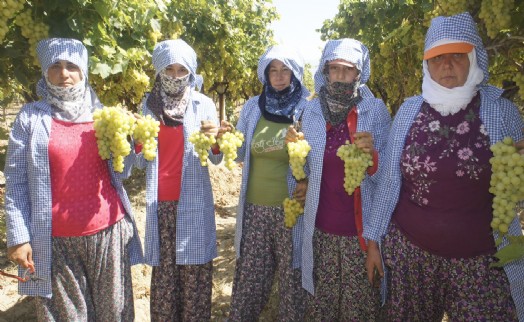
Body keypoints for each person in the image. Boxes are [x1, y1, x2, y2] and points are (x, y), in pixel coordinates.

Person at [364, 12, 524, 321]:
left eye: (456, 56)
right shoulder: (410, 111)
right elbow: (388, 184)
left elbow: (515, 188)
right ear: (426, 65)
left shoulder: (502, 113)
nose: (446, 65)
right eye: (437, 58)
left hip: (481, 264)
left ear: (474, 58)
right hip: (412, 257)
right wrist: (374, 242)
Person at [5, 38, 144, 321]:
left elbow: (121, 171)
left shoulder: (104, 116)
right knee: (67, 316)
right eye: (55, 66)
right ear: (45, 72)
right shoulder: (30, 118)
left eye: (72, 66)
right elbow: (16, 181)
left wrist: (136, 143)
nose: (64, 73)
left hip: (108, 233)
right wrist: (18, 237)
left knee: (114, 314)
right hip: (56, 241)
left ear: (84, 71)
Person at [285, 38, 391, 321]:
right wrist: (299, 170)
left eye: (348, 70)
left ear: (359, 73)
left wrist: (373, 159)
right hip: (320, 235)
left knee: (361, 312)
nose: (341, 76)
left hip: (361, 237)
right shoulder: (311, 112)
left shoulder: (375, 111)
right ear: (326, 71)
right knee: (322, 311)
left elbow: (390, 179)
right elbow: (304, 167)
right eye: (335, 69)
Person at [133, 39, 221, 321]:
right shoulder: (147, 107)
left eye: (180, 69)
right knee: (165, 280)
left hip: (193, 204)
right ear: (159, 70)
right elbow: (137, 161)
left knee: (194, 278)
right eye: (168, 69)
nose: (174, 76)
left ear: (190, 72)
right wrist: (135, 141)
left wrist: (216, 141)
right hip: (161, 206)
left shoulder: (203, 104)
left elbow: (217, 159)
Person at [227, 45, 309, 321]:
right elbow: (238, 151)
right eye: (273, 70)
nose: (279, 76)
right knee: (250, 281)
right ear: (265, 74)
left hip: (291, 213)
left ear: (295, 73)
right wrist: (224, 139)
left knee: (291, 284)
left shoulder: (307, 109)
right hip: (255, 210)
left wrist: (305, 175)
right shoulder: (253, 107)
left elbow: (314, 160)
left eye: (285, 69)